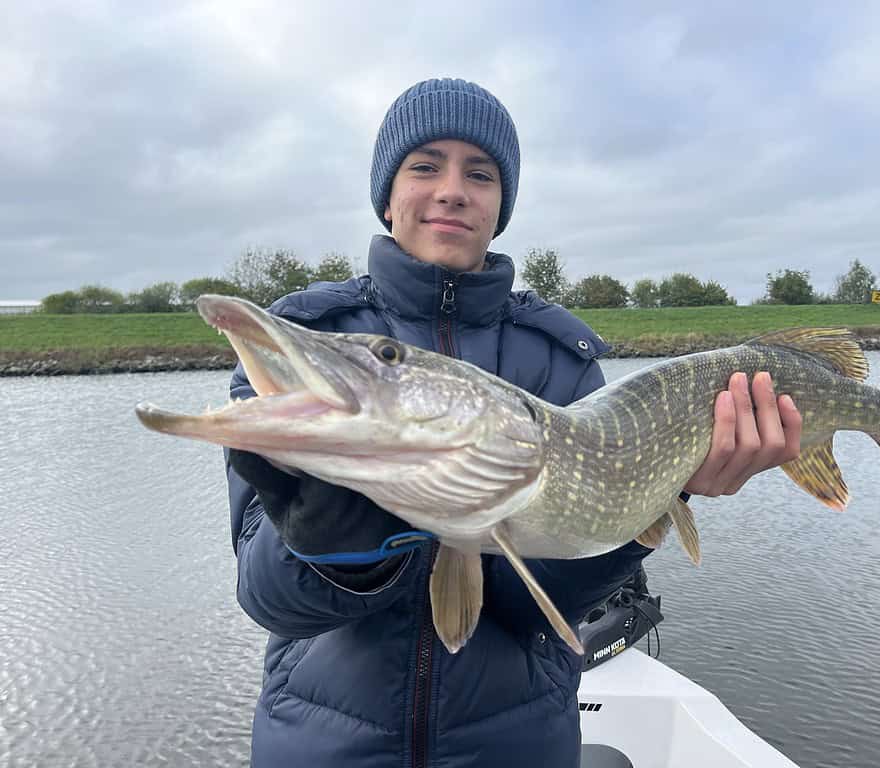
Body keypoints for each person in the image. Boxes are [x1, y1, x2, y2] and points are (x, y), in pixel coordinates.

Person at [225, 77, 802, 768]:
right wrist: (330, 537)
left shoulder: (559, 362)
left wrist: (664, 490)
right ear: (387, 193)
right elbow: (268, 599)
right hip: (324, 748)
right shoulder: (307, 343)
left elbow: (531, 611)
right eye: (424, 165)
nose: (452, 189)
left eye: (480, 173)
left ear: (501, 205)